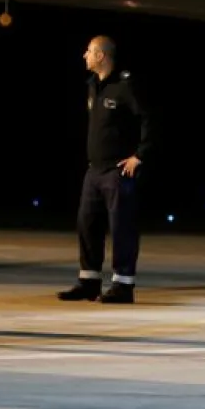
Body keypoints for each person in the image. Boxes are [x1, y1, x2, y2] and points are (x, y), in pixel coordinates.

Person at [57, 36, 154, 304]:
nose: (84, 55)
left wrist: (139, 156)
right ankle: (89, 281)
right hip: (94, 170)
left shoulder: (125, 86)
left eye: (88, 51)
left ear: (101, 56)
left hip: (117, 171)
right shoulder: (92, 86)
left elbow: (148, 118)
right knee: (87, 224)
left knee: (121, 227)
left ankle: (123, 286)